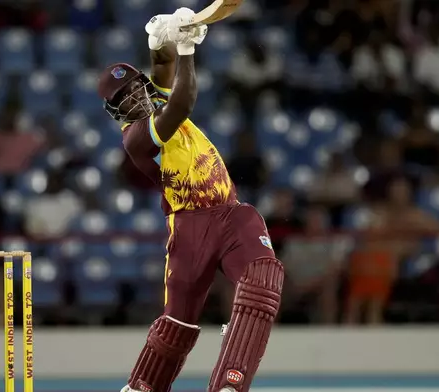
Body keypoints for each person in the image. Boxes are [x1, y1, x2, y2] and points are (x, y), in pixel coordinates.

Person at [97, 8, 284, 392]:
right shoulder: (137, 136)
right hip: (189, 227)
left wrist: (161, 40)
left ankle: (231, 382)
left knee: (263, 280)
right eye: (125, 98)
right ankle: (143, 386)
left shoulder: (156, 100)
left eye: (137, 87)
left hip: (231, 214)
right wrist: (186, 48)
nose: (136, 97)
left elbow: (162, 70)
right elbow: (183, 102)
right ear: (116, 112)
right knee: (177, 324)